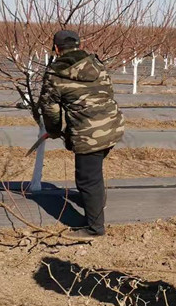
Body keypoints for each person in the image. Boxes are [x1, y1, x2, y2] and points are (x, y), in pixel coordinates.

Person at [38, 29, 125, 237]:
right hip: (113, 126)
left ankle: (95, 228)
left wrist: (54, 131)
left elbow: (50, 109)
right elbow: (108, 91)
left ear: (56, 48)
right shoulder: (97, 64)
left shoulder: (55, 74)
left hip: (89, 134)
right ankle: (95, 200)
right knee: (94, 172)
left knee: (87, 179)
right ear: (79, 45)